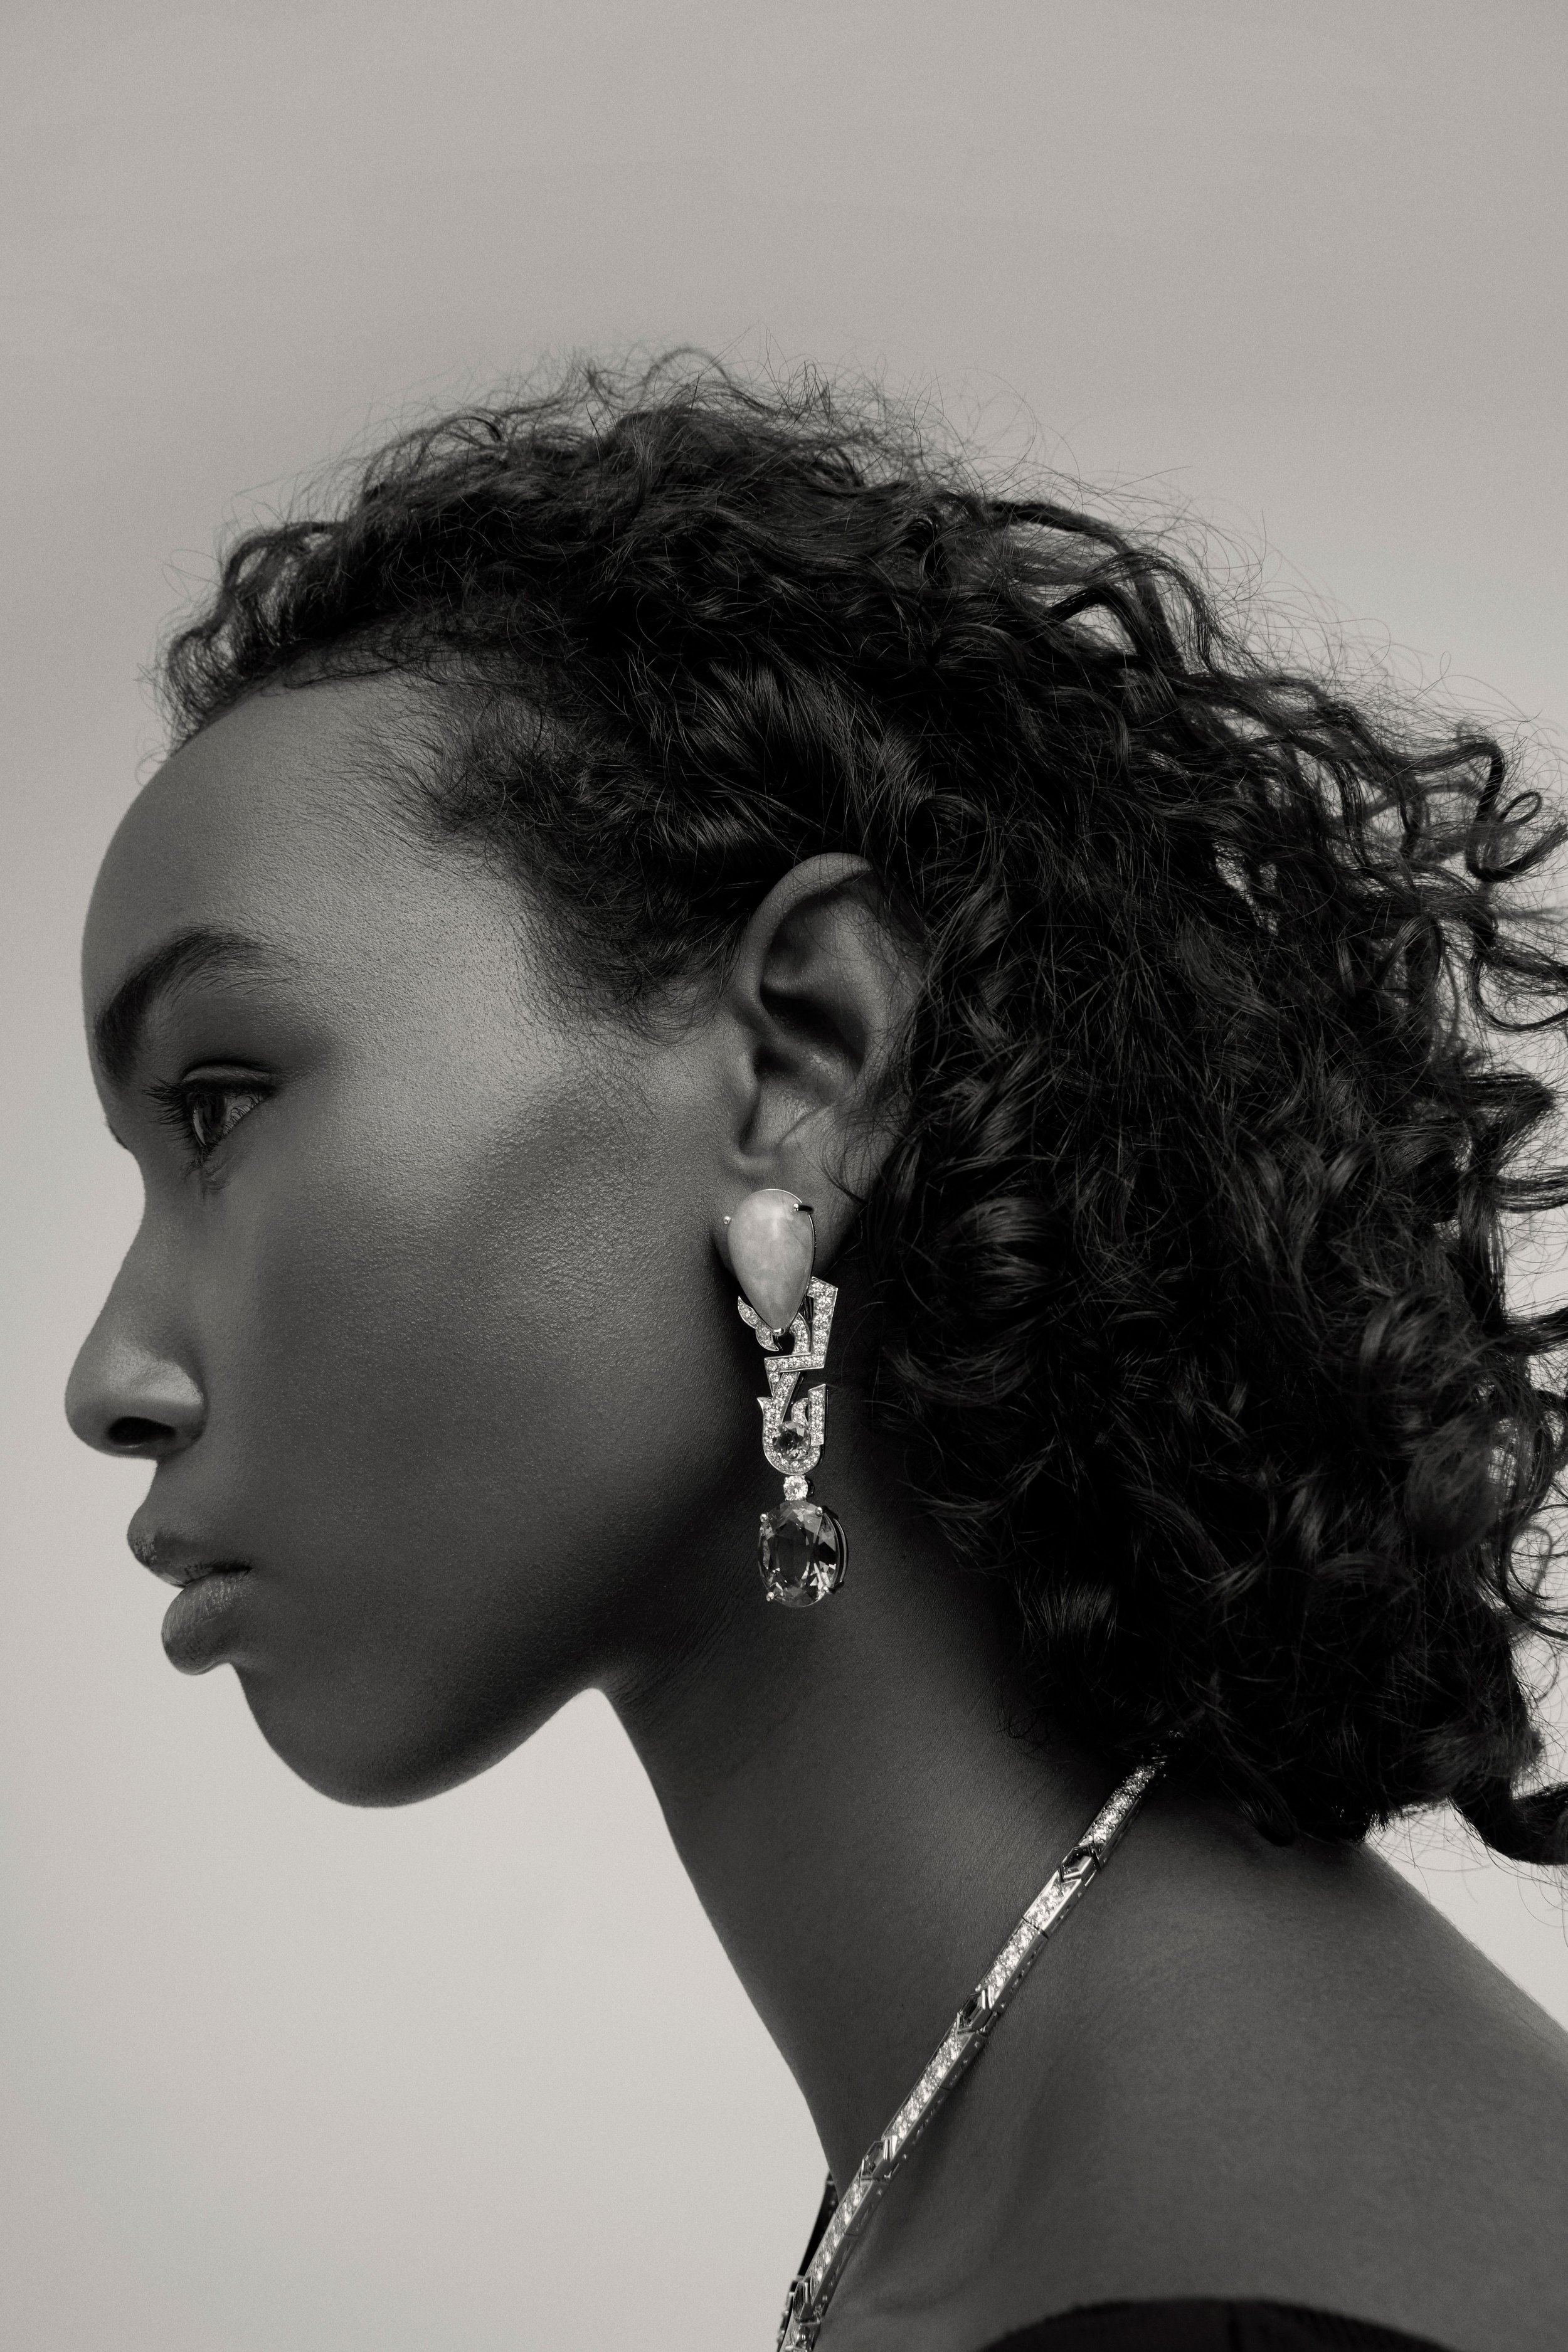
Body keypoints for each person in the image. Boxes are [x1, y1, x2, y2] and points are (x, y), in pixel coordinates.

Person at [65, 358, 1568, 2352]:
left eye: (222, 1104)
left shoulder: (1211, 2295)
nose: (111, 1376)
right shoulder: (1060, 2166)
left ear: (800, 1061)